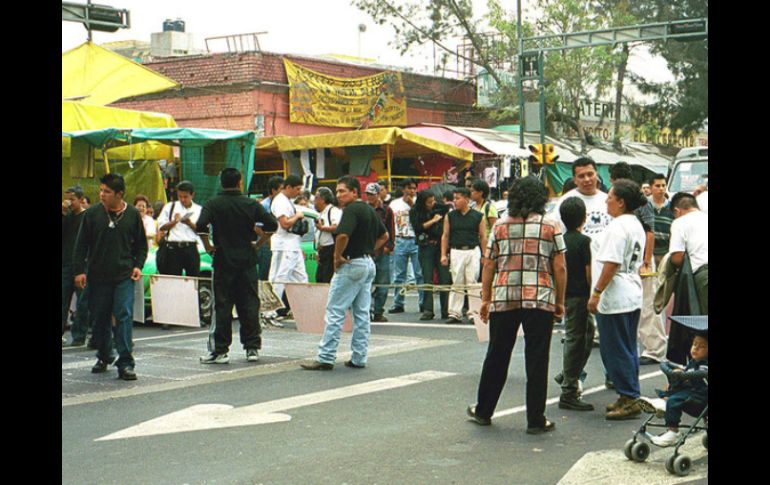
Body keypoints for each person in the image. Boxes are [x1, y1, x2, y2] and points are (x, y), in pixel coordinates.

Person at [467, 176, 566, 434]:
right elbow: (560, 266)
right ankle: (536, 419)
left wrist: (486, 299)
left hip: (504, 297)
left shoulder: (499, 225)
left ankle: (484, 410)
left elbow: (488, 264)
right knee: (537, 359)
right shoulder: (551, 225)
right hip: (540, 298)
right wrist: (560, 301)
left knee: (497, 355)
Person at [301, 176, 388, 370]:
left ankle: (326, 357)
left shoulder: (351, 210)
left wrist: (337, 256)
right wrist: (368, 249)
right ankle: (359, 357)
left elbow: (342, 234)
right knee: (362, 314)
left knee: (335, 311)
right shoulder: (369, 209)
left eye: (342, 191)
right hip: (366, 262)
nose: (339, 195)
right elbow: (385, 236)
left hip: (351, 263)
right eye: (337, 191)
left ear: (355, 192)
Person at [195, 168, 278, 364]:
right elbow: (272, 225)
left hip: (223, 259)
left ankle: (220, 351)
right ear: (240, 182)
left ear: (221, 183)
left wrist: (209, 247)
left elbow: (201, 226)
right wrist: (258, 244)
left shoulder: (213, 203)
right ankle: (252, 348)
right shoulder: (250, 203)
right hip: (247, 260)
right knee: (249, 303)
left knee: (222, 305)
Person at [73, 173, 148, 381]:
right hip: (97, 277)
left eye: (106, 191)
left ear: (119, 194)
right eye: (101, 190)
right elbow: (80, 246)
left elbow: (142, 245)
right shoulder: (92, 215)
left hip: (123, 275)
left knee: (123, 315)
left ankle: (125, 363)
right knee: (99, 318)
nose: (102, 194)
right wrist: (79, 271)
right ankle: (105, 356)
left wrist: (138, 266)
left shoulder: (132, 215)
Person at [588, 179, 648, 420]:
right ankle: (627, 395)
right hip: (631, 291)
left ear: (621, 202)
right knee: (628, 346)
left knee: (616, 349)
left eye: (610, 197)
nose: (606, 200)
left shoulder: (618, 226)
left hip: (616, 294)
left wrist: (596, 292)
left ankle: (630, 396)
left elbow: (611, 263)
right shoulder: (635, 224)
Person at [609, 162, 662, 366]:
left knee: (648, 305)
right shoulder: (629, 199)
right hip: (631, 263)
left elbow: (650, 231)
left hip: (641, 261)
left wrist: (646, 262)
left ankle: (655, 350)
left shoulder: (639, 201)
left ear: (614, 180)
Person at [554, 197, 595, 411]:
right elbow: (589, 272)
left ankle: (568, 373)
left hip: (565, 294)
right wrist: (594, 295)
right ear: (584, 218)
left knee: (586, 332)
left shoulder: (559, 239)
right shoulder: (584, 241)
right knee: (576, 338)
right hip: (580, 295)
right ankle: (569, 388)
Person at [665, 192, 708, 365]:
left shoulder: (679, 223)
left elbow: (677, 257)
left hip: (703, 275)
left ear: (677, 211)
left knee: (703, 325)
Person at [648, 329, 708, 447]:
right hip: (692, 392)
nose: (696, 348)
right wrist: (679, 372)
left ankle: (673, 431)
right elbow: (686, 373)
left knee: (674, 400)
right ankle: (663, 404)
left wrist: (684, 375)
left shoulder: (704, 364)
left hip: (701, 398)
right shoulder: (693, 361)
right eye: (694, 344)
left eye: (702, 346)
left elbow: (700, 373)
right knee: (671, 393)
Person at [441, 187, 486, 324]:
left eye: (458, 198)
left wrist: (485, 254)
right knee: (457, 282)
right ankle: (455, 313)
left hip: (473, 250)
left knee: (472, 282)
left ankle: (474, 313)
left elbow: (483, 236)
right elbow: (445, 235)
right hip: (456, 251)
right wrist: (443, 254)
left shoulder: (478, 216)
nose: (455, 201)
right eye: (454, 198)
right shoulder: (450, 216)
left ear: (467, 199)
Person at [269, 174, 309, 318]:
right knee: (279, 278)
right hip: (283, 246)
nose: (299, 192)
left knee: (301, 278)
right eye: (297, 189)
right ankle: (269, 312)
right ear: (288, 187)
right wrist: (298, 216)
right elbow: (285, 223)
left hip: (293, 245)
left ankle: (302, 309)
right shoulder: (280, 201)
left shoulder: (287, 201)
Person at [410, 190, 451, 321]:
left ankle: (446, 309)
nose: (431, 204)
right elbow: (418, 227)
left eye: (433, 200)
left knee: (444, 277)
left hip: (440, 245)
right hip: (425, 246)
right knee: (427, 278)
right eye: (429, 202)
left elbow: (448, 210)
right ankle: (428, 309)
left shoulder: (439, 207)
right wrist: (433, 220)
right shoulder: (415, 211)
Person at [388, 178, 426, 314]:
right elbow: (390, 223)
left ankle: (423, 303)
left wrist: (412, 205)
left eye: (414, 188)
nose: (412, 191)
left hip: (416, 239)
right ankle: (398, 303)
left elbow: (423, 218)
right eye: (409, 188)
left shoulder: (420, 203)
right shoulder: (394, 204)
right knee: (399, 274)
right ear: (403, 189)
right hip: (400, 239)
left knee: (419, 273)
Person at [62, 185, 91, 347]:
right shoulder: (66, 216)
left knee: (83, 302)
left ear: (81, 200)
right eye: (66, 199)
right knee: (63, 300)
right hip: (66, 263)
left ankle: (79, 335)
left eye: (72, 200)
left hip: (83, 264)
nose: (68, 203)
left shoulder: (87, 217)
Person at [157, 181, 202, 278]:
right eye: (180, 196)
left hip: (191, 247)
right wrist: (174, 222)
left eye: (185, 197)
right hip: (173, 248)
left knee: (193, 279)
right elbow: (161, 226)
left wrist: (189, 223)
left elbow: (202, 230)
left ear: (192, 195)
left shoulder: (198, 209)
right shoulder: (170, 206)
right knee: (173, 279)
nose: (182, 199)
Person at [365, 183, 395, 322]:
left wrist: (389, 247)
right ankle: (367, 312)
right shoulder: (364, 209)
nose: (370, 197)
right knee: (367, 285)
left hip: (382, 251)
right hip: (367, 250)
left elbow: (391, 229)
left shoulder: (387, 210)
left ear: (378, 194)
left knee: (383, 284)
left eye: (372, 194)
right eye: (368, 194)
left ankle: (378, 311)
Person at [313, 187, 342, 284]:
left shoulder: (333, 211)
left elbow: (337, 228)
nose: (314, 201)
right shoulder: (320, 214)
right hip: (322, 250)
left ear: (323, 200)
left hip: (331, 249)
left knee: (328, 279)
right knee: (320, 279)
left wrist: (322, 228)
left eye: (316, 198)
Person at [257, 176, 283, 281]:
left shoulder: (282, 204)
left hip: (280, 244)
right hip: (266, 246)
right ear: (273, 190)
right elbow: (256, 227)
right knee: (266, 275)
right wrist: (268, 240)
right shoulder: (264, 205)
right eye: (281, 189)